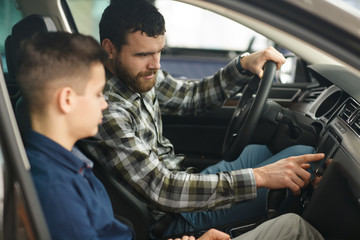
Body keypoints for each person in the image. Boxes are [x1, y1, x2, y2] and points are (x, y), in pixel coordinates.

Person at [18, 31, 324, 240]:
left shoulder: (71, 162)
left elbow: (191, 95)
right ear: (67, 100)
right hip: (168, 209)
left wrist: (243, 65)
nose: (104, 101)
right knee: (294, 227)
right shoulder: (54, 190)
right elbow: (161, 190)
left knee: (293, 157)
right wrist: (258, 178)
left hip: (174, 195)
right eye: (98, 93)